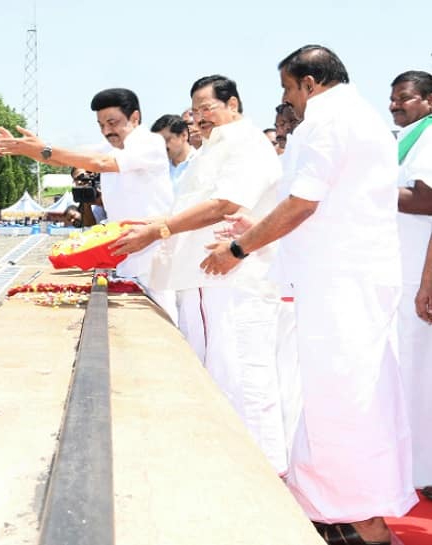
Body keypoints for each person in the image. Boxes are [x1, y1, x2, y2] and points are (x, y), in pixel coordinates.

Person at [201, 45, 415, 544]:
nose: (286, 99)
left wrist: (239, 247)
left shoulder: (327, 119)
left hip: (341, 282)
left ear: (310, 83)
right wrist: (259, 228)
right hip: (345, 277)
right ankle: (338, 510)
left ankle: (363, 523)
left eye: (287, 88)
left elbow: (304, 204)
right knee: (338, 396)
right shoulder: (352, 117)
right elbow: (330, 206)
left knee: (343, 399)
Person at [110, 75, 286, 474]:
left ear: (234, 105)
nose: (200, 119)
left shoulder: (244, 144)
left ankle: (263, 476)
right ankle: (238, 467)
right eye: (195, 112)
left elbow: (225, 204)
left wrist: (158, 230)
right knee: (220, 375)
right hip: (205, 280)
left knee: (243, 376)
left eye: (207, 109)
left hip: (231, 279)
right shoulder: (212, 150)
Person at [0, 88, 176, 323]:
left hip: (153, 249)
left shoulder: (148, 142)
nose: (106, 131)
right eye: (101, 125)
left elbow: (100, 163)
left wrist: (44, 150)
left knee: (166, 318)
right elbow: (65, 157)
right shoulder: (111, 146)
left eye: (112, 122)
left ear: (134, 117)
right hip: (126, 251)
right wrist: (31, 149)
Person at [389, 69, 432, 498]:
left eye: (404, 98)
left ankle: (423, 472)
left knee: (420, 372)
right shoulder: (411, 136)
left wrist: (366, 187)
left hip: (420, 273)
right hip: (405, 270)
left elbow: (426, 200)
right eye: (393, 98)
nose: (394, 105)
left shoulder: (429, 135)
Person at [150, 113, 197, 193]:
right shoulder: (158, 168)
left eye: (166, 140)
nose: (162, 146)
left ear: (184, 135)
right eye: (158, 143)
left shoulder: (201, 161)